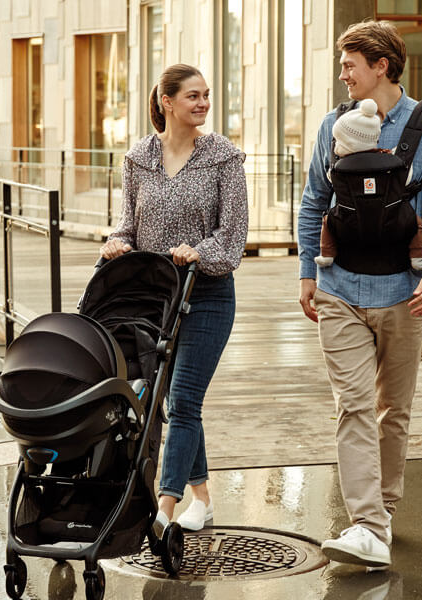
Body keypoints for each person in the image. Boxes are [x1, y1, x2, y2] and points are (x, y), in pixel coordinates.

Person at [298, 20, 422, 568]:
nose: (342, 73)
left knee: (392, 411)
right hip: (340, 290)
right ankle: (367, 525)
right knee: (353, 408)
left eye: (351, 63)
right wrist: (308, 273)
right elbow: (312, 203)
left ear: (381, 66)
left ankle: (382, 513)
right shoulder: (333, 123)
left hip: (404, 292)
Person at [100, 63, 248, 533]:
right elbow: (128, 222)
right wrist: (115, 242)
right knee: (169, 398)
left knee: (183, 399)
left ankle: (163, 508)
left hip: (206, 295)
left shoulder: (224, 156)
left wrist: (197, 251)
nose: (203, 103)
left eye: (206, 95)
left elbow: (233, 238)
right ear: (167, 102)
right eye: (193, 96)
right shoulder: (138, 158)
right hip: (153, 302)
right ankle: (202, 499)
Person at [314, 97, 422, 271]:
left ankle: (327, 254)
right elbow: (407, 177)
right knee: (419, 225)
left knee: (327, 222)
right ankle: (418, 257)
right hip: (394, 223)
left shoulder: (338, 170)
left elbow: (319, 194)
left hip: (347, 223)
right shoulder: (391, 162)